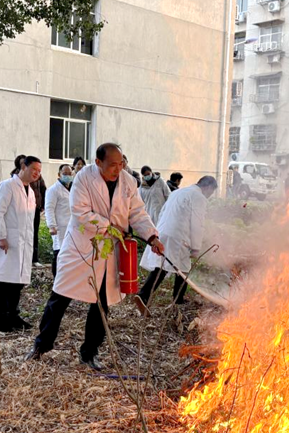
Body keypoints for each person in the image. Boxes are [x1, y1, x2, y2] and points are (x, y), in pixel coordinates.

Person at [28, 143, 165, 370]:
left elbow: (137, 213)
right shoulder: (83, 178)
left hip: (109, 252)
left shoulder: (128, 182)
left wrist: (152, 237)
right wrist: (109, 227)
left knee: (102, 303)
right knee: (59, 297)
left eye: (121, 163)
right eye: (112, 164)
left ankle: (90, 352)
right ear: (98, 162)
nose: (117, 169)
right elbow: (80, 212)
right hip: (81, 246)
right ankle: (41, 345)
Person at [139, 176, 217, 306]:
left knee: (164, 265)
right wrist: (196, 247)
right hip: (177, 235)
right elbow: (197, 223)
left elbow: (163, 211)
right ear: (208, 187)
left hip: (163, 230)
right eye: (212, 192)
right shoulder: (199, 197)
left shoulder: (178, 192)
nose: (210, 195)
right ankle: (174, 299)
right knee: (181, 267)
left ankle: (146, 295)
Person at [0, 156, 42, 331]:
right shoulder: (7, 186)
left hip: (23, 243)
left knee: (17, 283)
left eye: (39, 171)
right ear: (23, 167)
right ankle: (2, 319)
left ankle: (13, 315)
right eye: (34, 169)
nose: (37, 173)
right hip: (8, 242)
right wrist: (1, 236)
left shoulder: (31, 192)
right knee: (4, 282)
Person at [45, 164, 74, 278]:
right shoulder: (53, 190)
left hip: (71, 226)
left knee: (69, 253)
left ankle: (66, 278)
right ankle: (57, 277)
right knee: (59, 252)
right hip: (59, 228)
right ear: (59, 174)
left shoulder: (73, 188)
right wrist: (52, 226)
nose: (67, 176)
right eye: (65, 174)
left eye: (69, 174)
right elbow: (49, 208)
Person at [31, 174, 47, 266]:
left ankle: (34, 259)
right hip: (23, 210)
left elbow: (43, 189)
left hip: (36, 207)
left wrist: (42, 204)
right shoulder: (17, 176)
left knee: (34, 233)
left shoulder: (38, 176)